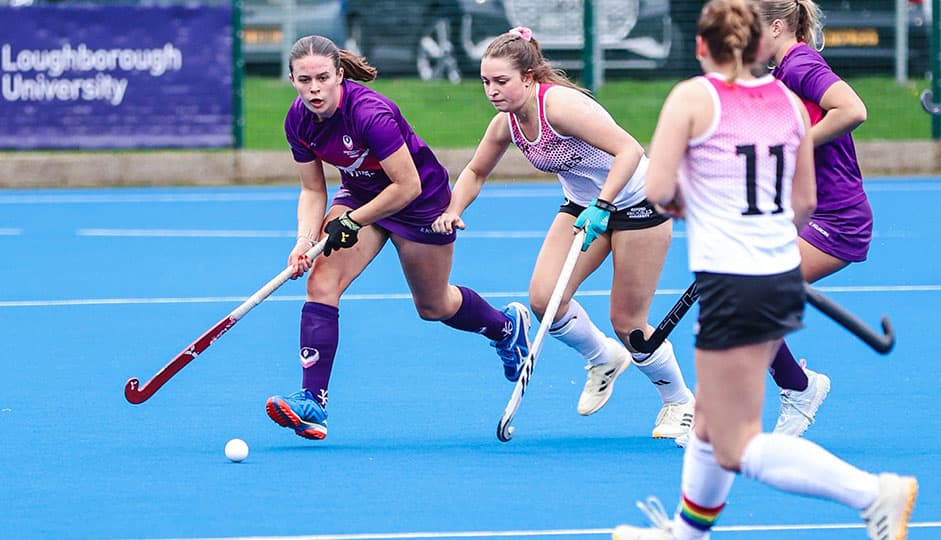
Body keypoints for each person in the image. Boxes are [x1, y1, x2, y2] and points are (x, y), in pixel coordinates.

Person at [611, 1, 917, 539]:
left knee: (733, 443)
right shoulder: (787, 103)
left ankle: (874, 494)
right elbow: (800, 203)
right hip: (765, 270)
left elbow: (658, 193)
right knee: (708, 426)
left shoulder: (695, 98)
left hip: (738, 280)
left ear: (702, 47)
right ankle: (685, 533)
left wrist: (706, 201)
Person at [264, 35, 532, 440]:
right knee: (321, 282)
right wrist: (304, 241)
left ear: (339, 75)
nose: (314, 89)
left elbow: (405, 185)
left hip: (419, 202)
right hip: (362, 195)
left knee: (434, 305)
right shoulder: (298, 120)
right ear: (292, 80)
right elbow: (313, 190)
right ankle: (312, 401)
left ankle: (504, 327)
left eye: (322, 78)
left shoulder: (370, 114)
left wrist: (352, 221)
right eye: (304, 80)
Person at [432, 26, 695, 439]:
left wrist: (604, 206)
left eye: (501, 81)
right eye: (486, 81)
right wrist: (453, 208)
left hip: (637, 202)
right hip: (583, 205)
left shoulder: (560, 107)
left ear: (529, 78)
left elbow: (630, 150)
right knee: (544, 299)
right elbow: (476, 170)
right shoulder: (507, 122)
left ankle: (679, 401)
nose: (492, 91)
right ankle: (601, 356)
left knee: (629, 323)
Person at [754, 0, 873, 438]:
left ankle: (799, 390)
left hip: (837, 219)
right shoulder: (778, 75)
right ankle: (794, 387)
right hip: (804, 211)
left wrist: (796, 142)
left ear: (780, 26)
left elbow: (852, 110)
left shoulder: (801, 63)